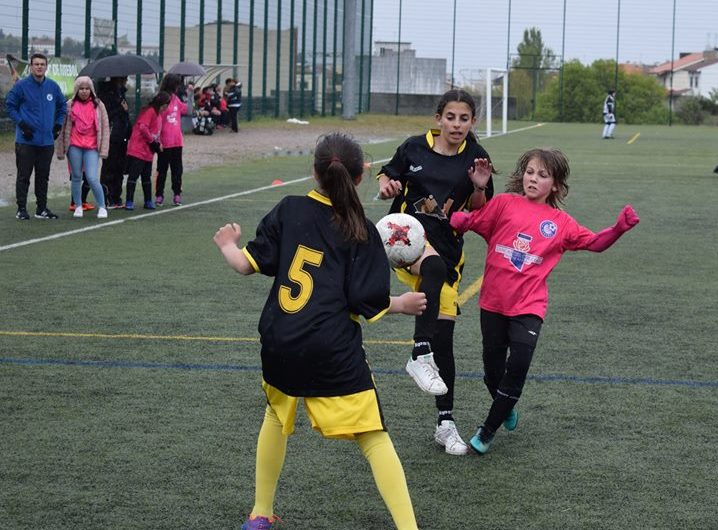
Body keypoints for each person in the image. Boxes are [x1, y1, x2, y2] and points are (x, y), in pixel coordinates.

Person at [213, 133, 425, 530]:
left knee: (276, 416)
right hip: (330, 348)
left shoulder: (289, 208)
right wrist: (402, 303)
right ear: (361, 175)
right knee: (373, 435)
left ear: (313, 171)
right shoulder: (360, 227)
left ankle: (260, 513)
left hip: (280, 341)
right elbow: (367, 299)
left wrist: (228, 243)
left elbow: (244, 265)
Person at [449, 148, 639, 455]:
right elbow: (475, 220)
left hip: (529, 306)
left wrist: (618, 229)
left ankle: (486, 431)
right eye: (530, 172)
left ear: (556, 186)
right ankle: (506, 405)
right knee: (492, 372)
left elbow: (594, 243)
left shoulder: (560, 223)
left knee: (519, 365)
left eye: (542, 175)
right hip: (493, 303)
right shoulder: (504, 204)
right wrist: (462, 221)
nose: (533, 179)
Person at [376, 89, 495, 456]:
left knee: (445, 338)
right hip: (404, 239)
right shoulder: (413, 147)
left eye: (464, 119)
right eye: (450, 118)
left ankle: (445, 424)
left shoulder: (477, 158)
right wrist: (386, 186)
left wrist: (478, 188)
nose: (456, 124)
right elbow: (387, 178)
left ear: (472, 122)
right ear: (438, 119)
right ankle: (418, 352)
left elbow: (478, 211)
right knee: (433, 266)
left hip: (448, 250)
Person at [5, 53, 67, 220]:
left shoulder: (53, 87)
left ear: (46, 67)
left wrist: (58, 125)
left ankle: (41, 209)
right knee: (24, 176)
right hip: (26, 141)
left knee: (43, 177)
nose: (39, 66)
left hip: (46, 142)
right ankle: (21, 209)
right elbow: (10, 106)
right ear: (31, 67)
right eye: (36, 64)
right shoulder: (21, 86)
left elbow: (62, 107)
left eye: (42, 64)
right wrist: (22, 124)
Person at [55, 76, 110, 219]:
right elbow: (62, 128)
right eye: (81, 89)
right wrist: (61, 149)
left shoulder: (99, 105)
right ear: (76, 90)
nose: (84, 91)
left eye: (87, 88)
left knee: (92, 177)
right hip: (74, 146)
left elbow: (104, 127)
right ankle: (78, 205)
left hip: (91, 147)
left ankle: (102, 207)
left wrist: (103, 149)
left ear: (91, 90)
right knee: (76, 177)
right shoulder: (69, 105)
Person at [125, 91, 169, 210]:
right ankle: (129, 201)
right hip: (138, 150)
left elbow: (157, 133)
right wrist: (153, 142)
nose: (165, 108)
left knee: (146, 177)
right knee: (133, 176)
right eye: (165, 105)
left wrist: (159, 144)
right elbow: (143, 127)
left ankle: (148, 200)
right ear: (161, 104)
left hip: (148, 152)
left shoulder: (159, 116)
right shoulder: (149, 111)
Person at [156, 73, 192, 206]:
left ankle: (177, 194)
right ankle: (159, 195)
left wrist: (190, 95)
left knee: (177, 170)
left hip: (177, 142)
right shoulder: (161, 99)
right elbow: (157, 118)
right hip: (164, 142)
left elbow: (188, 110)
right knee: (162, 170)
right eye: (177, 84)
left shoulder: (176, 99)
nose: (178, 87)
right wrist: (157, 139)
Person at [98, 76, 132, 209]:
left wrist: (129, 131)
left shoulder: (121, 93)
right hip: (111, 136)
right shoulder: (105, 95)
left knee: (120, 168)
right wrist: (121, 108)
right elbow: (107, 115)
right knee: (109, 168)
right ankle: (106, 198)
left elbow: (125, 115)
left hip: (122, 136)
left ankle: (116, 197)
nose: (126, 80)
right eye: (124, 78)